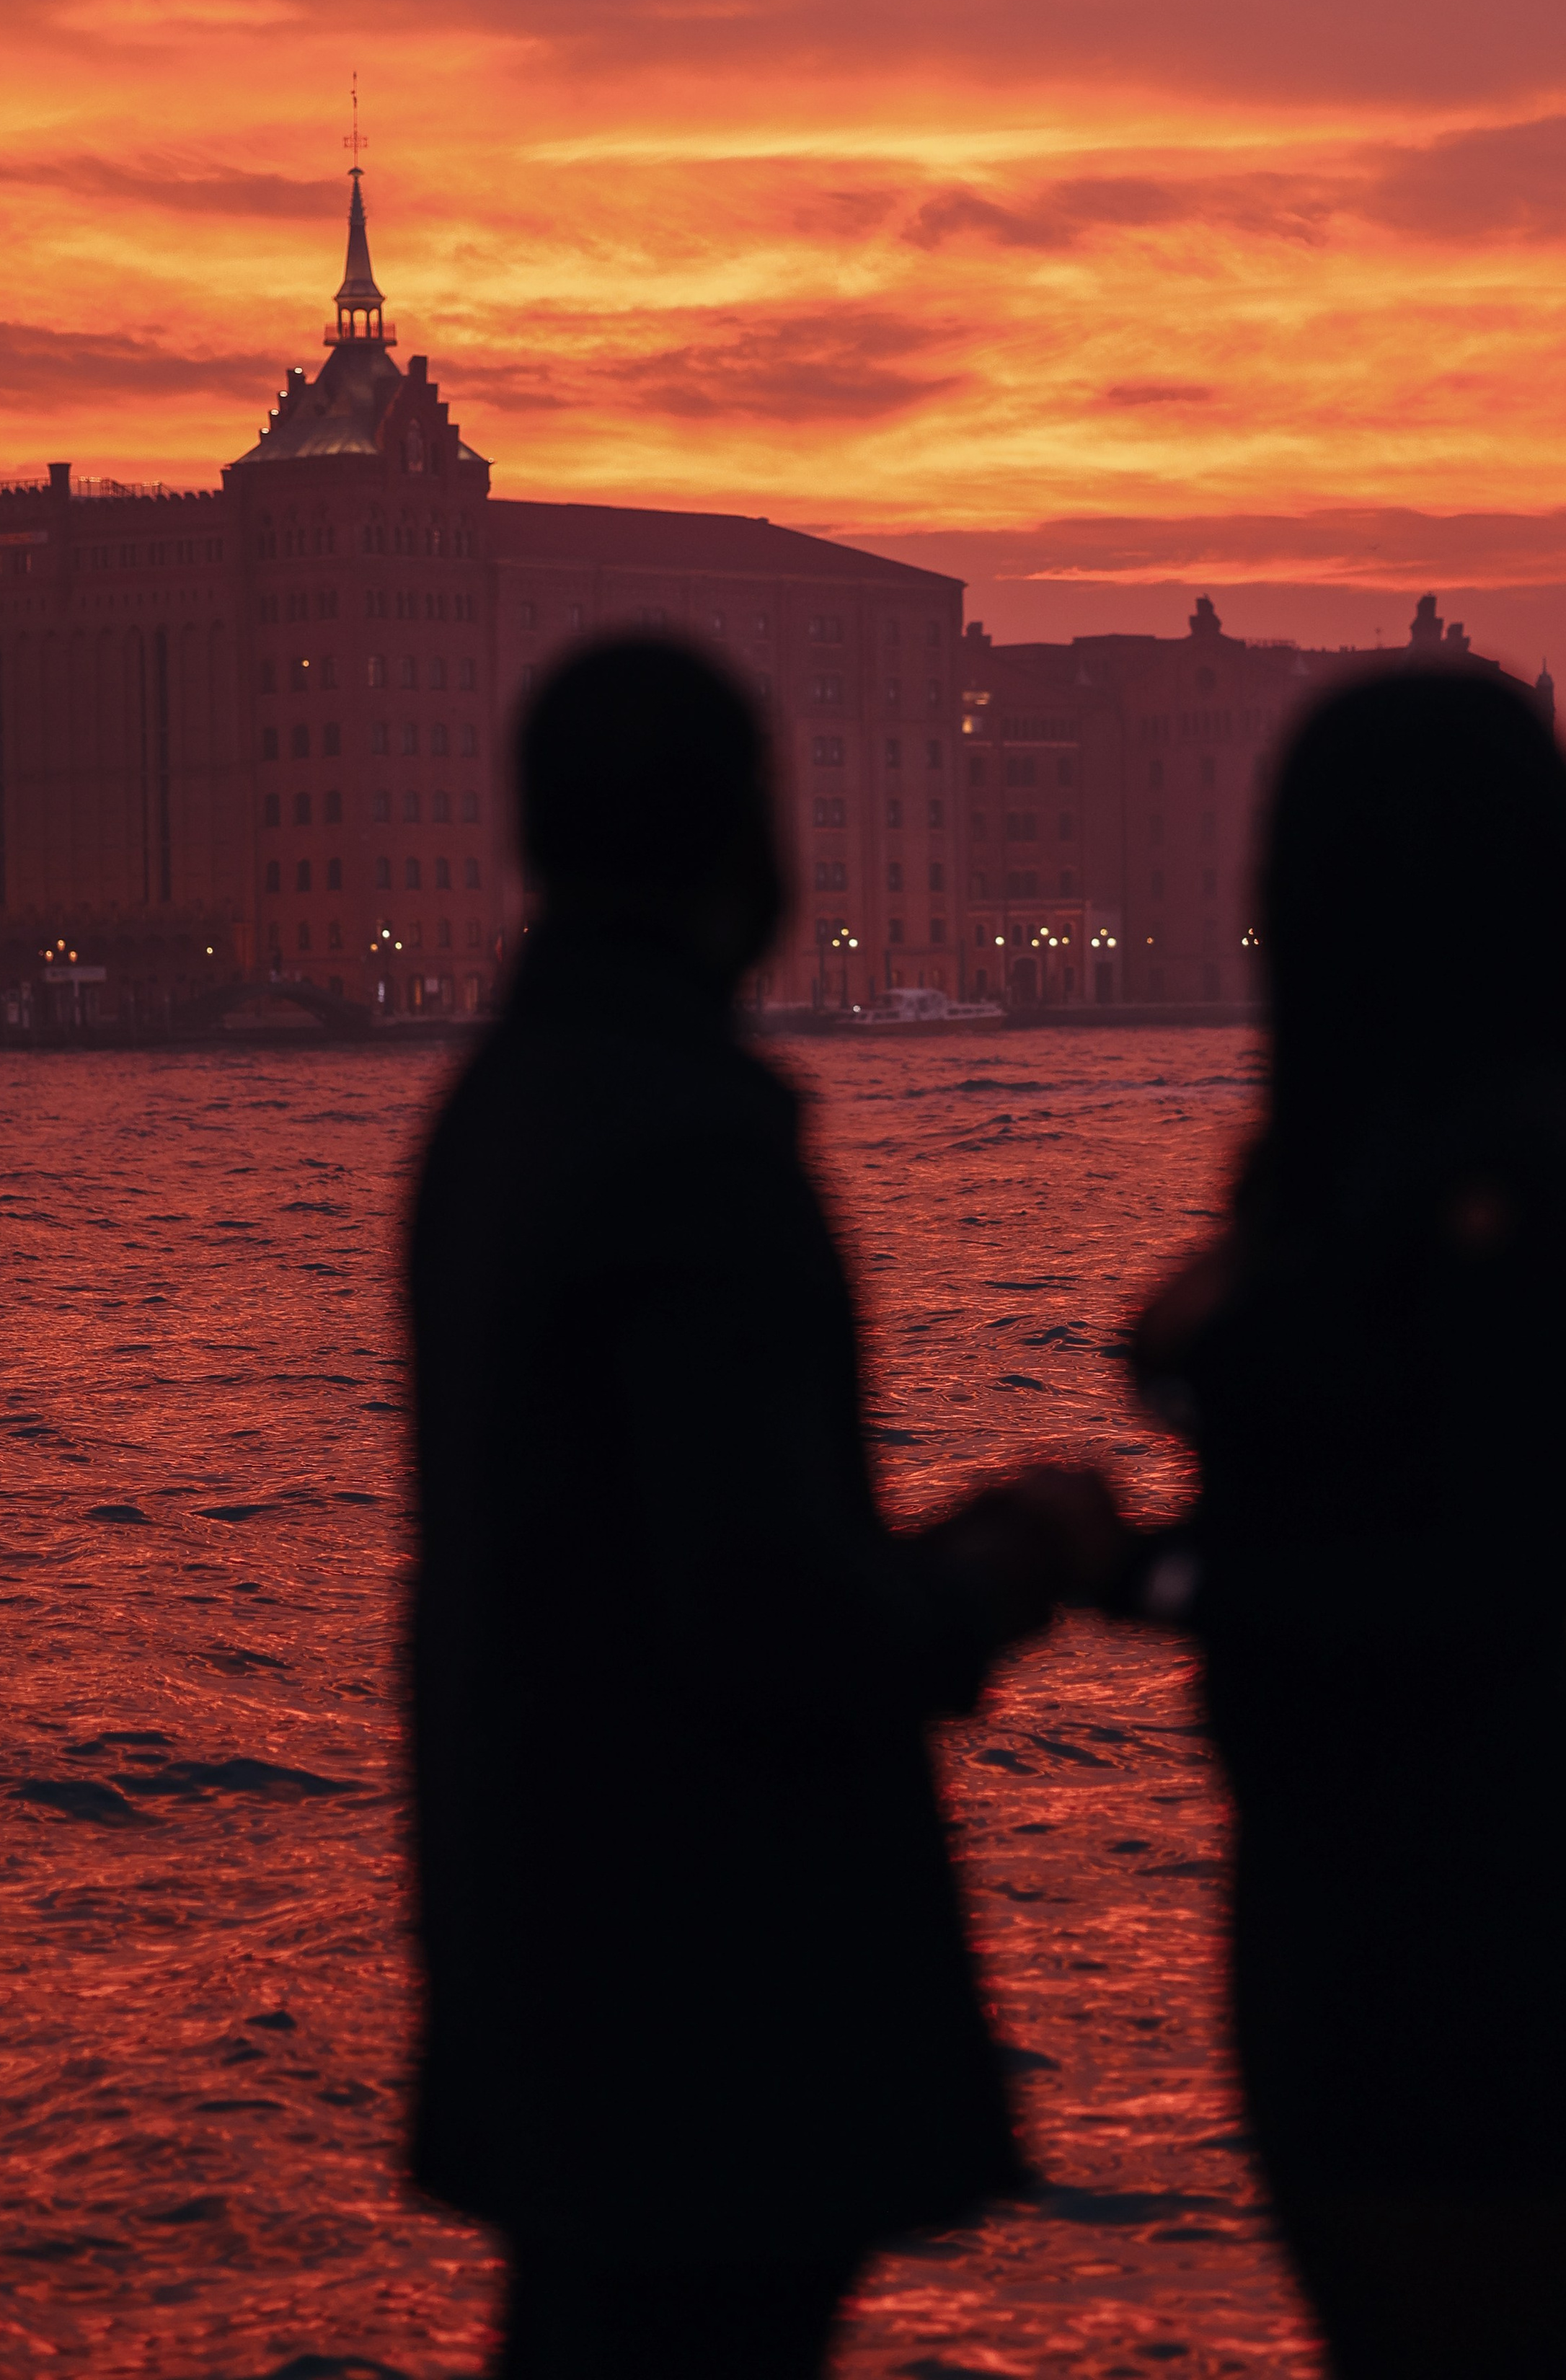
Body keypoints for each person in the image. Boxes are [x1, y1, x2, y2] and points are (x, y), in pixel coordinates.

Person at [408, 637, 1114, 2380]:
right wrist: (1002, 1564)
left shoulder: (495, 1113)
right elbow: (758, 1611)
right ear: (747, 843)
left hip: (548, 1951)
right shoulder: (684, 1141)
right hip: (711, 2006)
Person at [1119, 669, 1566, 2380]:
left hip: (1464, 1877)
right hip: (1342, 1852)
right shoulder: (1379, 1157)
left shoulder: (1504, 1170)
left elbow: (1477, 1586)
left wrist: (1145, 1575)